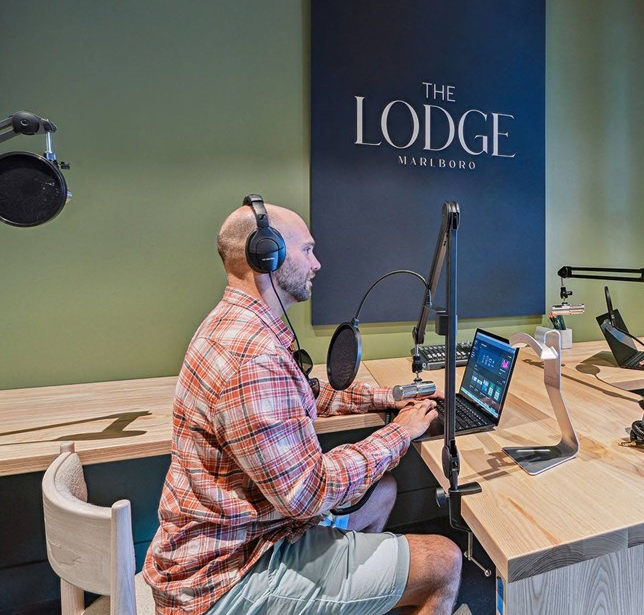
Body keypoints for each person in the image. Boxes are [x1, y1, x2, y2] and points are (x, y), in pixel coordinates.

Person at [143, 198, 462, 615]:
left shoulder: (242, 326)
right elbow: (309, 494)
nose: (318, 263)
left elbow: (308, 394)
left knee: (382, 492)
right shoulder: (254, 357)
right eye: (307, 250)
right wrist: (401, 431)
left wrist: (393, 397)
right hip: (226, 577)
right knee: (444, 561)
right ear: (267, 255)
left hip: (247, 534)